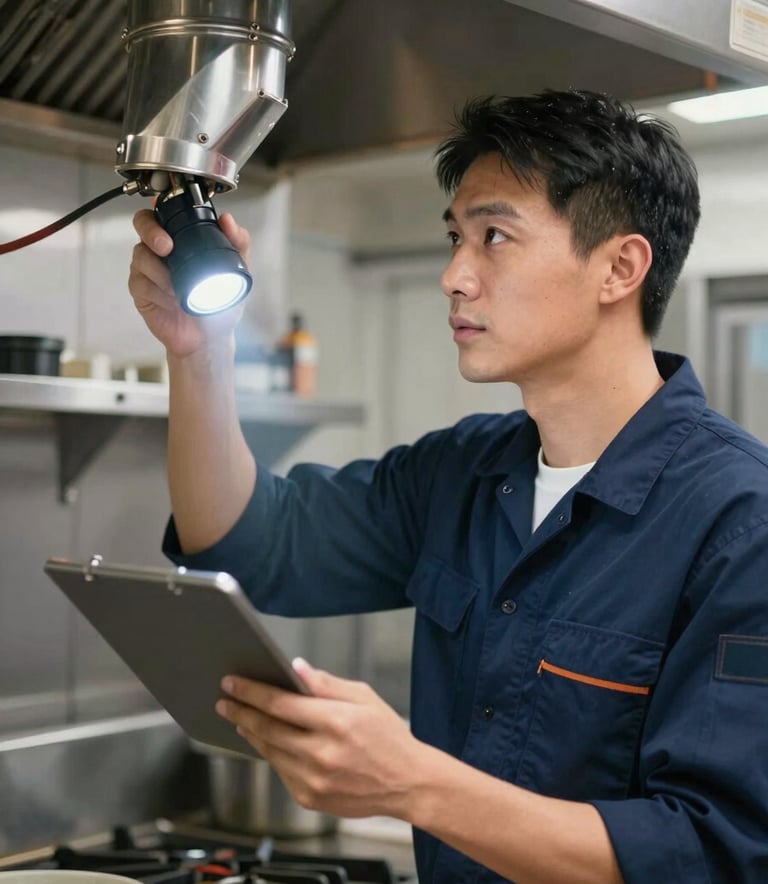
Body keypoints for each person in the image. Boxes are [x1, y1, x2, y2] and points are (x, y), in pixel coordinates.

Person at [128, 89, 768, 884]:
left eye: (494, 237)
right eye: (455, 238)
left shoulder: (741, 523)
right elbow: (250, 542)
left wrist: (410, 781)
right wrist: (199, 354)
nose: (454, 277)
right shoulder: (464, 473)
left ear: (620, 268)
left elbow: (715, 857)